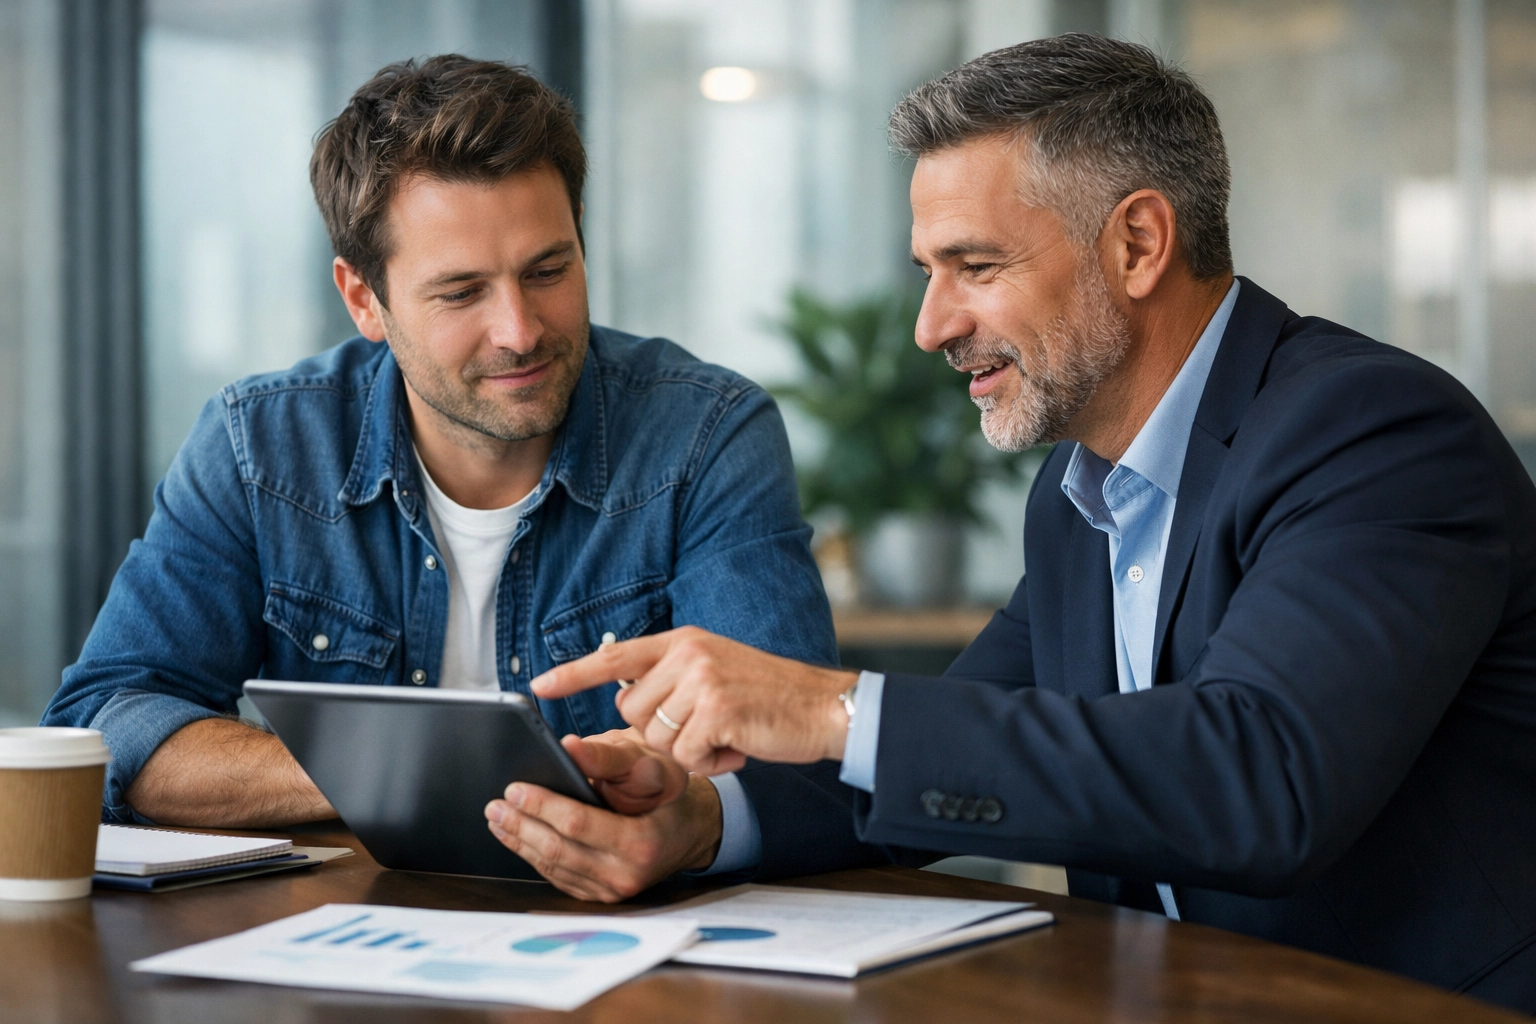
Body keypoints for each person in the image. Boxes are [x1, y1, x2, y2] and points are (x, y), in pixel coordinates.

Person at [530, 35, 1536, 1009]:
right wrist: (698, 819)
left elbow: (1262, 776)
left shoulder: (1371, 431)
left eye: (974, 266)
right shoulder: (1077, 494)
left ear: (1138, 244)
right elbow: (962, 746)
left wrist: (827, 703)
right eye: (928, 272)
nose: (931, 325)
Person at [42, 55, 874, 902]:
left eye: (548, 270)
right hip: (345, 934)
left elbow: (798, 758)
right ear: (363, 299)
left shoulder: (704, 434)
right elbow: (105, 724)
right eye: (461, 292)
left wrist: (679, 809)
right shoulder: (260, 446)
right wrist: (403, 766)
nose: (519, 330)